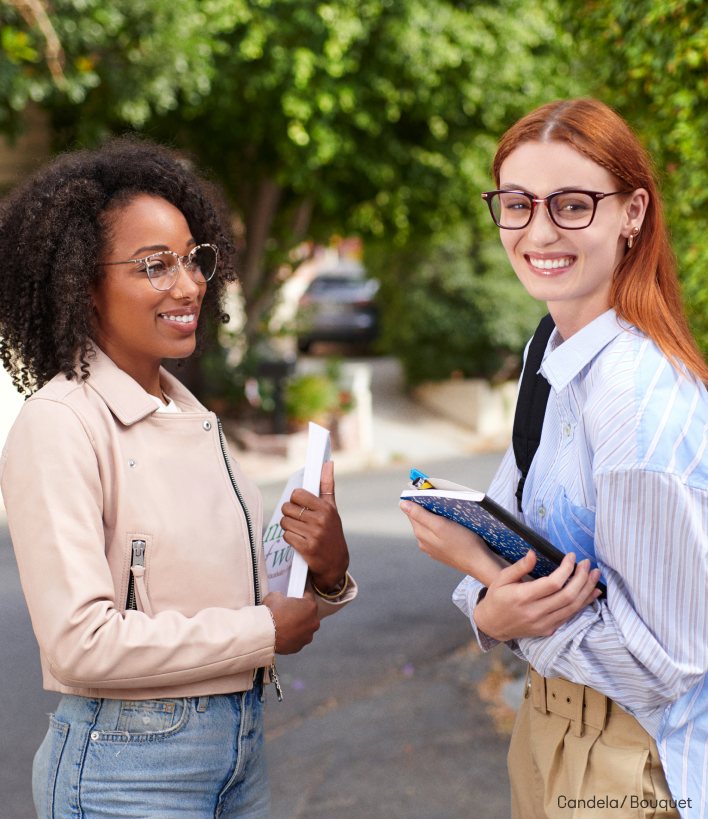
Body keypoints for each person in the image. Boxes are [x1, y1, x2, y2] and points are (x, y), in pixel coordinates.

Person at [0, 137, 356, 818]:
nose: (190, 284)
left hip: (238, 756)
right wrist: (262, 631)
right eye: (154, 265)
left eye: (193, 258)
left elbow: (248, 601)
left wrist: (327, 570)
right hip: (125, 772)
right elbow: (80, 645)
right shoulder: (61, 424)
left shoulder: (191, 415)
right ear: (82, 284)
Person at [400, 98, 708, 818]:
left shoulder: (636, 400)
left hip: (634, 758)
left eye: (572, 205)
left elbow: (665, 664)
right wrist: (490, 604)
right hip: (546, 728)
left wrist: (485, 581)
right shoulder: (550, 349)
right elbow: (509, 534)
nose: (539, 232)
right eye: (517, 204)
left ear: (632, 212)